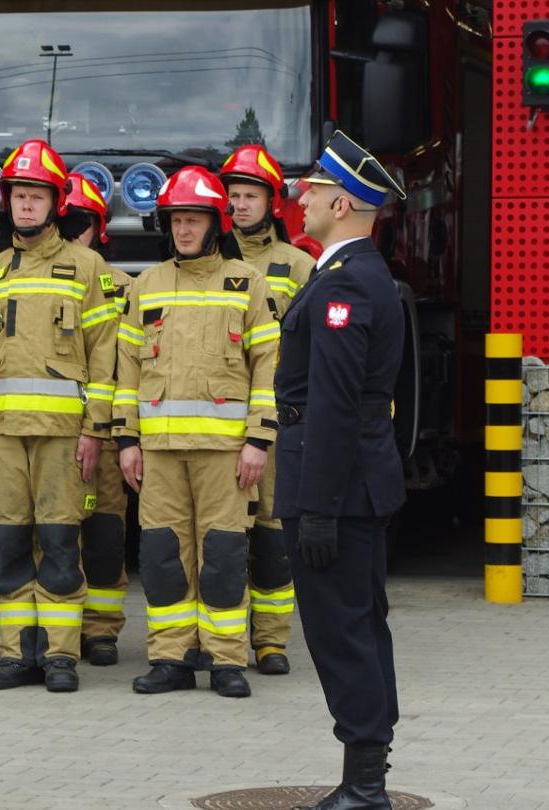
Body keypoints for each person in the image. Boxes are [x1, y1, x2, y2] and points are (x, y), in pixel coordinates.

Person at [276, 130, 409, 810]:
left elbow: (330, 404)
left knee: (342, 631)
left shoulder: (348, 283)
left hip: (335, 485)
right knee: (358, 624)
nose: (301, 196)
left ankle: (365, 786)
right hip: (347, 479)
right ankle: (367, 774)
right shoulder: (346, 274)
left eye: (313, 189)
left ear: (341, 202)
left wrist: (319, 505)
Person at [113, 164, 269, 700]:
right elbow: (126, 369)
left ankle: (226, 660)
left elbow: (268, 365)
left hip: (226, 453)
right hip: (158, 453)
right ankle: (171, 658)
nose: (183, 230)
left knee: (223, 555)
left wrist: (259, 441)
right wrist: (127, 441)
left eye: (194, 219)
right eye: (176, 219)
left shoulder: (246, 282)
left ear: (214, 223)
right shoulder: (146, 285)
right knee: (161, 555)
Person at [0, 139, 117, 693]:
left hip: (61, 436)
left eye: (36, 196)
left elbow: (105, 355)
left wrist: (94, 429)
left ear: (57, 203)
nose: (26, 206)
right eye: (18, 196)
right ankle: (15, 655)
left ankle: (60, 655)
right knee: (8, 542)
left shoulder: (87, 266)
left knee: (58, 542)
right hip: (3, 434)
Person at [222, 143, 315, 677]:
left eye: (250, 194)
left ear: (272, 201)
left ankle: (272, 641)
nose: (239, 205)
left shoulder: (298, 265)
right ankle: (229, 637)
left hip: (278, 419)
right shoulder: (212, 264)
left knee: (274, 532)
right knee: (229, 534)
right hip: (223, 417)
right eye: (232, 195)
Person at [61, 174, 130, 667]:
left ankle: (101, 631)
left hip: (103, 441)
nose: (72, 232)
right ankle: (56, 630)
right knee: (56, 538)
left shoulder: (127, 289)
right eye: (66, 223)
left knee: (105, 536)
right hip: (53, 436)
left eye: (81, 224)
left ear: (99, 230)